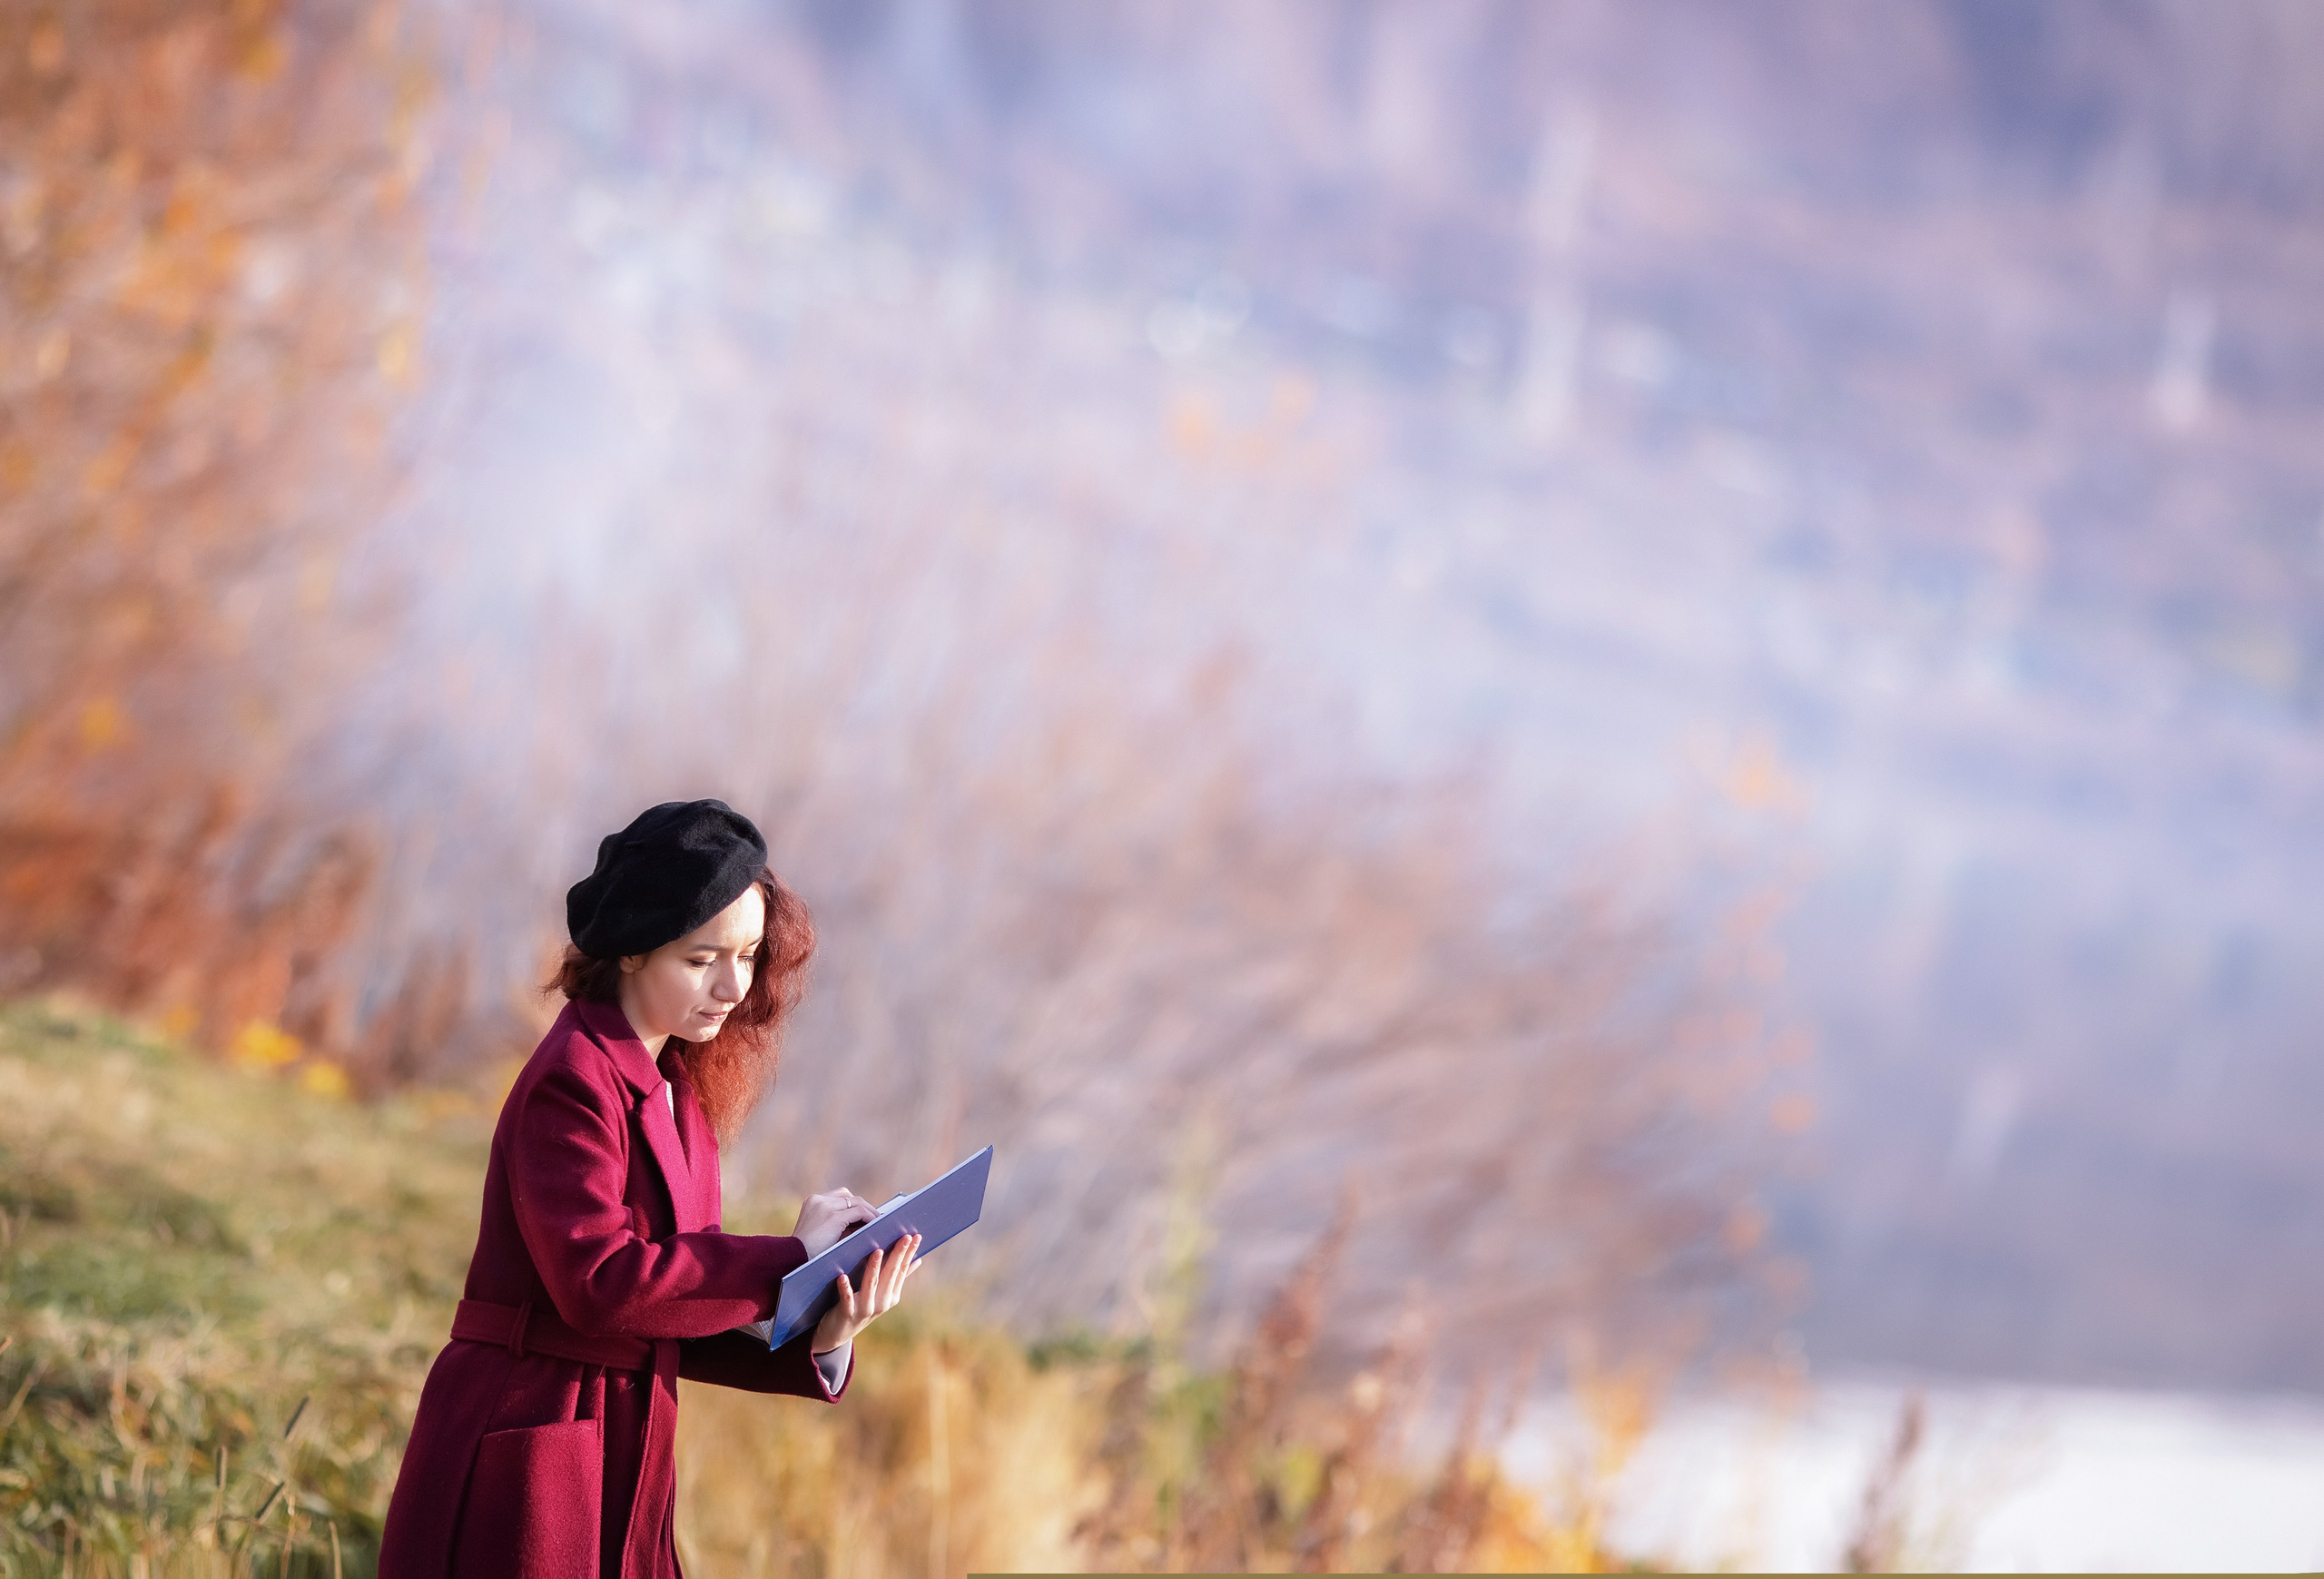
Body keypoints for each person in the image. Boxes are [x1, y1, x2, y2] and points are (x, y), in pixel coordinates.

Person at [379, 799, 918, 1577]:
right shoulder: (574, 1079)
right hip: (530, 1438)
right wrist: (788, 1256)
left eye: (750, 953)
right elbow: (601, 1284)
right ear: (631, 951)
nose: (734, 986)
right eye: (703, 960)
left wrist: (823, 1327)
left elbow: (671, 1318)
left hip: (621, 1450)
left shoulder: (679, 1090)